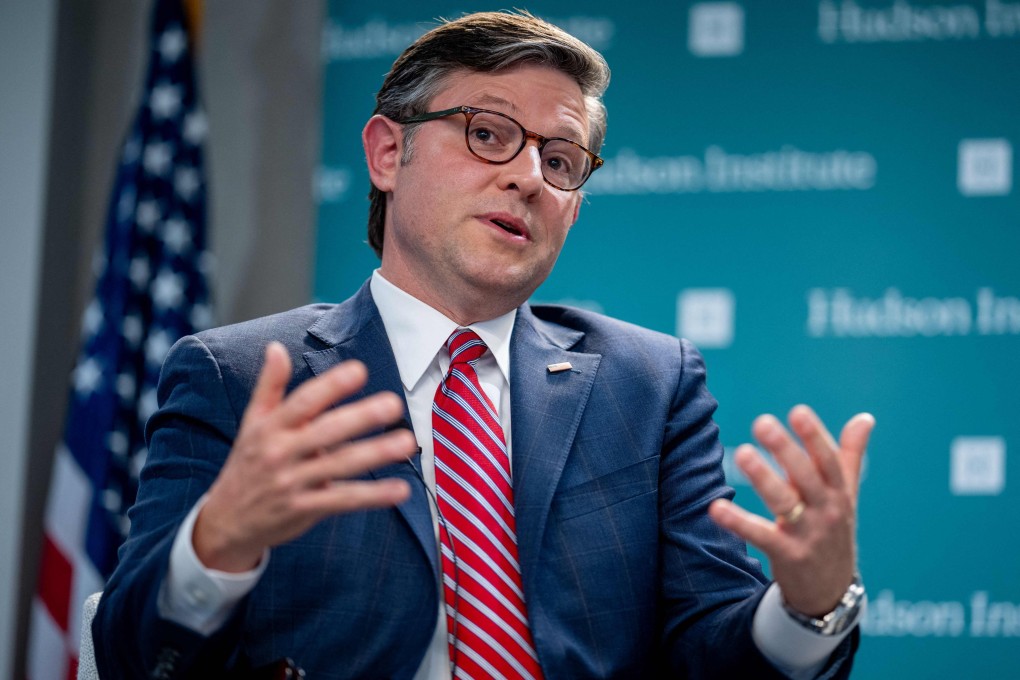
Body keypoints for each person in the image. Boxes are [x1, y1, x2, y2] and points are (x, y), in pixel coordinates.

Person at [95, 10, 874, 679]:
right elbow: (134, 658)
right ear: (388, 154)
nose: (529, 177)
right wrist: (214, 549)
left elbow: (715, 652)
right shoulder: (238, 376)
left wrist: (806, 607)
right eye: (488, 133)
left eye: (561, 161)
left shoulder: (648, 383)